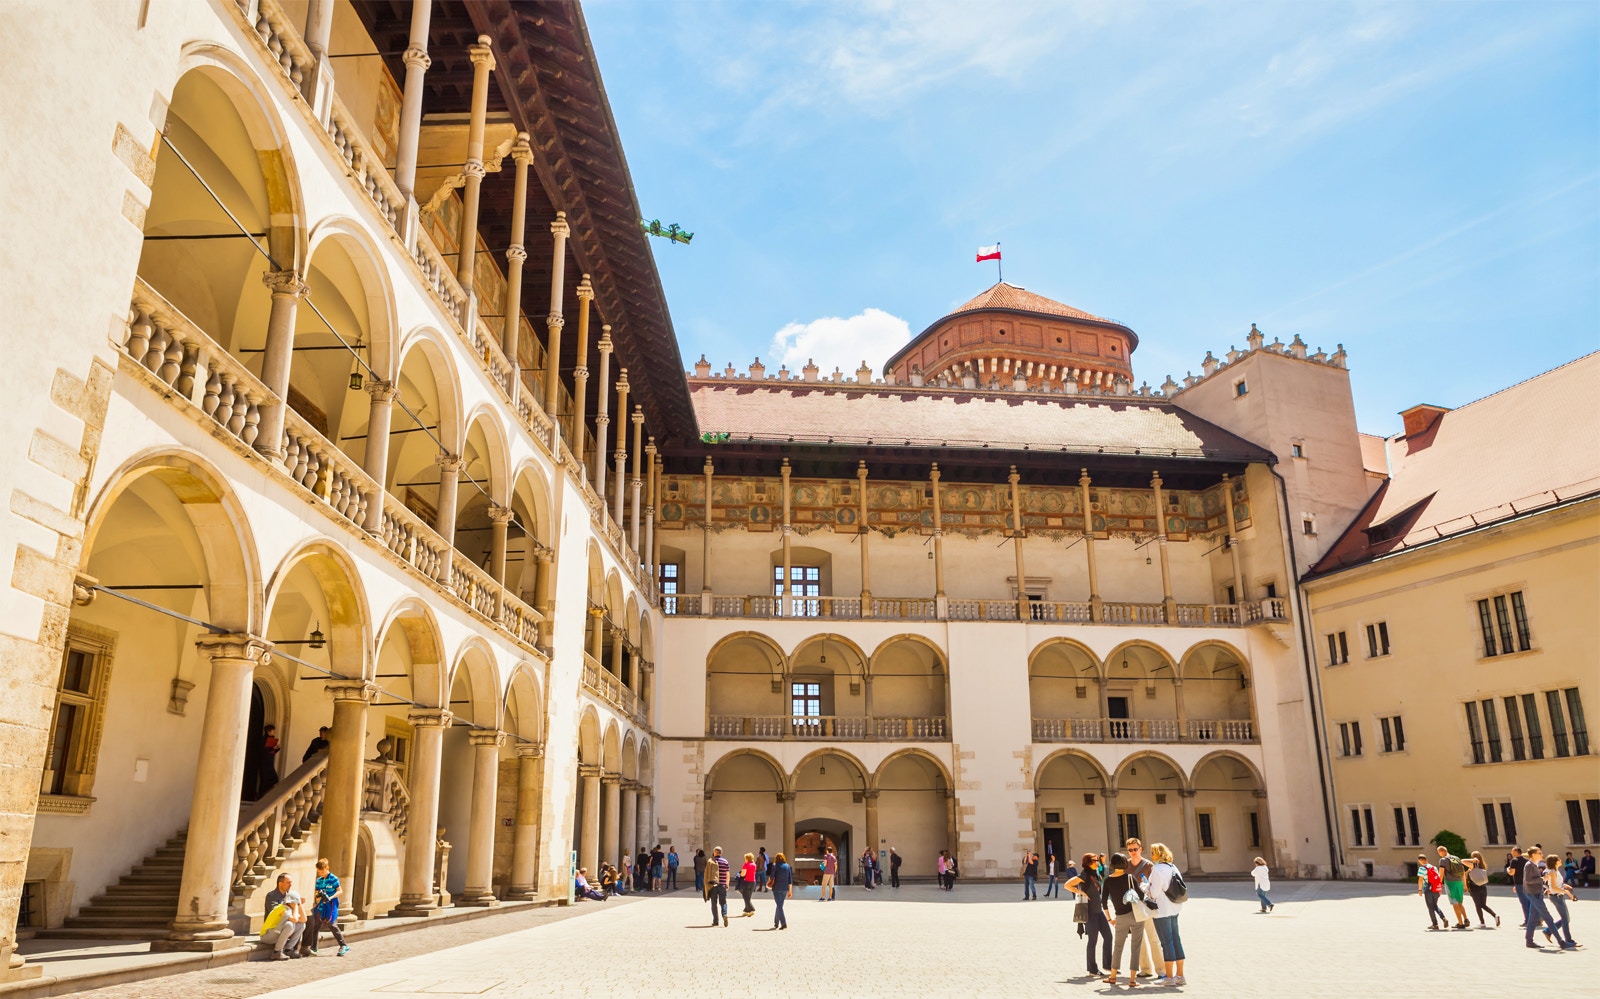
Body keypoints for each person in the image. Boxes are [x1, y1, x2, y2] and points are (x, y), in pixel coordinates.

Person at [1065, 852, 1112, 978]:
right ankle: (1092, 969)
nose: (1097, 862)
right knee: (1093, 941)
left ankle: (1108, 965)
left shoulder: (1095, 873)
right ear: (1087, 863)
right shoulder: (1084, 874)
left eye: (1097, 860)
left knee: (1108, 937)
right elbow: (1067, 885)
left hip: (1099, 911)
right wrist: (1079, 892)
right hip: (1090, 913)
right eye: (1094, 860)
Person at [1102, 852, 1145, 988]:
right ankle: (1132, 980)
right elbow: (1141, 896)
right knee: (1136, 947)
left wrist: (1110, 919)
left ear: (1112, 864)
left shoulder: (1108, 880)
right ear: (1125, 864)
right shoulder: (1130, 878)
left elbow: (1103, 902)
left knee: (1118, 947)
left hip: (1120, 917)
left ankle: (1113, 976)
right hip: (1136, 916)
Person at [1147, 843, 1186, 987]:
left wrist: (1145, 887)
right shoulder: (1172, 867)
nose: (1151, 855)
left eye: (1153, 852)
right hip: (1175, 907)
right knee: (1176, 939)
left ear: (1159, 854)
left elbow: (1154, 893)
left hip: (1161, 910)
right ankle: (1180, 975)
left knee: (1166, 942)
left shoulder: (1157, 869)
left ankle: (1169, 977)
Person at [1124, 838, 1163, 978]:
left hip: (1147, 906)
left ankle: (1161, 970)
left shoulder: (1148, 866)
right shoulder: (1125, 866)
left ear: (1140, 849)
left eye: (1135, 849)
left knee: (1154, 939)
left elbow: (1155, 886)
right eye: (1130, 850)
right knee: (1138, 941)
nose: (1133, 852)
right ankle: (1146, 969)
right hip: (1133, 907)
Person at [303, 858, 350, 957]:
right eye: (319, 872)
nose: (321, 874)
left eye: (322, 871)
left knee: (331, 924)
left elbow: (340, 891)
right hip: (321, 905)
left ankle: (343, 945)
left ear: (327, 868)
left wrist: (330, 897)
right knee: (315, 926)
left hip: (331, 904)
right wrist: (318, 896)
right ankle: (314, 948)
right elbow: (316, 892)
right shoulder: (319, 880)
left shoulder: (333, 878)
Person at [264, 872, 307, 960]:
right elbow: (288, 917)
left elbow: (303, 920)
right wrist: (295, 905)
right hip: (270, 932)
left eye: (291, 882)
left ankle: (288, 949)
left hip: (282, 929)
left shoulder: (289, 896)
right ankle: (277, 952)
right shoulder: (271, 896)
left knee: (301, 925)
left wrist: (298, 903)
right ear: (280, 884)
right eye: (288, 882)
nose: (291, 885)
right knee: (290, 924)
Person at [1523, 847, 1555, 948]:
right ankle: (1560, 940)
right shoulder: (1529, 865)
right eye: (1539, 853)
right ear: (1533, 855)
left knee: (1533, 919)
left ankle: (1529, 941)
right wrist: (1542, 879)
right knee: (1547, 917)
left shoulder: (1534, 865)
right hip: (1534, 894)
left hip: (1537, 893)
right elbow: (1528, 880)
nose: (1542, 854)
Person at [1544, 856, 1579, 950]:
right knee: (1565, 918)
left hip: (1559, 896)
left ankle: (1548, 931)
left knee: (1566, 918)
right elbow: (1553, 888)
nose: (1560, 860)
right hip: (1556, 897)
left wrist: (1566, 886)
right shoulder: (1551, 872)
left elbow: (1558, 884)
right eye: (1558, 859)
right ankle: (1568, 940)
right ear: (1554, 862)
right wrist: (1567, 892)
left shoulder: (1556, 870)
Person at [1434, 845, 1470, 929]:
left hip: (1450, 883)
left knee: (1454, 903)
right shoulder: (1456, 858)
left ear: (1441, 851)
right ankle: (1466, 919)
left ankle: (1460, 923)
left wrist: (1438, 885)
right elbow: (1463, 872)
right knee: (1460, 902)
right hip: (1460, 883)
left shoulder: (1443, 860)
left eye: (1438, 852)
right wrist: (1465, 885)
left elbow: (1441, 873)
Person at [1465, 852, 1500, 928]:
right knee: (1483, 905)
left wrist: (1472, 860)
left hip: (1475, 887)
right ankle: (1495, 915)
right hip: (1483, 887)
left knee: (1478, 905)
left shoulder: (1474, 865)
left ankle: (1482, 922)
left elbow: (1462, 861)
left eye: (1472, 857)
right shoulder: (1482, 865)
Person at [1417, 854, 1448, 930]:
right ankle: (1443, 918)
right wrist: (1439, 889)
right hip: (1436, 888)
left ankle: (1435, 924)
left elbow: (1420, 880)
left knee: (1430, 907)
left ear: (1420, 861)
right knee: (1435, 905)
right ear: (1426, 859)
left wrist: (1420, 890)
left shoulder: (1422, 868)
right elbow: (1438, 879)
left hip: (1428, 889)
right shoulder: (1434, 867)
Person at [707, 846, 731, 926]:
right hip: (723, 884)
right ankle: (724, 914)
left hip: (713, 885)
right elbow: (727, 873)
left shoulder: (711, 861)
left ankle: (715, 921)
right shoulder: (725, 861)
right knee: (723, 902)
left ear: (715, 852)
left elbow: (707, 874)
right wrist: (727, 883)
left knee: (714, 903)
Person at [1507, 847, 1531, 926]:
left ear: (1516, 852)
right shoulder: (1527, 860)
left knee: (1524, 902)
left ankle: (1527, 920)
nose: (1512, 853)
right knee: (1529, 901)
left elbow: (1512, 873)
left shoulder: (1514, 861)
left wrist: (1508, 870)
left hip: (1519, 884)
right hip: (1527, 883)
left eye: (1512, 851)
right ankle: (1535, 919)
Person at [771, 852, 794, 929]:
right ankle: (776, 923)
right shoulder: (787, 866)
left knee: (779, 905)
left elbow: (772, 877)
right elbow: (790, 879)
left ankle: (783, 923)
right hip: (785, 888)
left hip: (777, 887)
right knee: (779, 905)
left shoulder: (775, 866)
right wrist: (790, 890)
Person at [258, 724, 281, 796]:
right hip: (264, 763)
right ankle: (261, 796)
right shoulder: (263, 739)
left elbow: (272, 753)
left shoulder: (272, 739)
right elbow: (262, 750)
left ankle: (266, 795)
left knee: (273, 779)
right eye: (273, 731)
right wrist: (272, 748)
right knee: (265, 780)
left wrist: (277, 748)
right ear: (268, 731)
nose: (274, 732)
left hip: (270, 762)